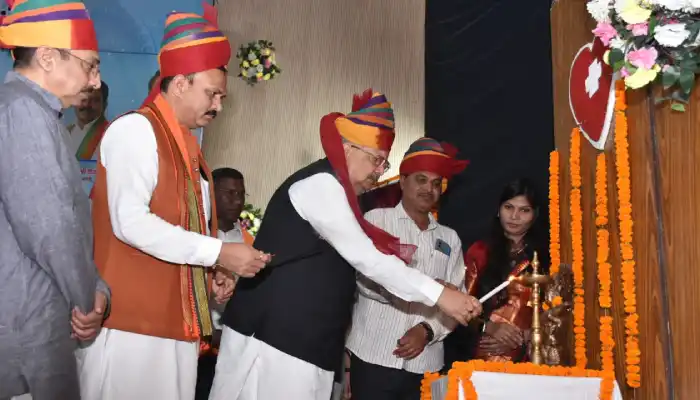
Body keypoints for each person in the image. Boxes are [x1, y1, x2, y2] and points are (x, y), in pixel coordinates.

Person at [210, 89, 482, 400]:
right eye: (376, 160)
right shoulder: (320, 185)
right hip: (273, 336)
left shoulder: (343, 195)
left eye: (384, 163)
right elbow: (369, 259)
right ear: (347, 148)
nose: (380, 171)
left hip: (307, 343)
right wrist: (440, 295)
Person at [76, 5, 270, 400]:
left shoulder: (189, 150)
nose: (218, 105)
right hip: (132, 329)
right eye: (212, 93)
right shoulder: (136, 130)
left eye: (222, 96)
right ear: (180, 84)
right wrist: (219, 252)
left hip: (175, 329)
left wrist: (212, 273)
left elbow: (182, 234)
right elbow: (131, 222)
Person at [0, 1, 111, 399]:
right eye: (90, 65)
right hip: (27, 325)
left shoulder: (34, 112)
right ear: (47, 57)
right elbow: (51, 229)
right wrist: (88, 300)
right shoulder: (23, 111)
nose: (96, 81)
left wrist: (96, 287)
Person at [345, 137, 468, 400]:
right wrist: (421, 289)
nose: (428, 189)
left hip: (426, 363)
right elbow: (363, 280)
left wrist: (427, 330)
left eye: (436, 183)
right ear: (402, 181)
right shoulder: (377, 221)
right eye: (421, 180)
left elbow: (457, 300)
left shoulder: (450, 238)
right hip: (374, 356)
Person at [467, 178, 549, 362]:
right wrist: (489, 327)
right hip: (484, 354)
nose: (514, 216)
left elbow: (559, 312)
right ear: (498, 210)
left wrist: (523, 337)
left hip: (532, 356)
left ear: (535, 214)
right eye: (509, 207)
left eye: (524, 210)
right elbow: (460, 308)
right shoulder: (479, 252)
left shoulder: (547, 256)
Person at [195, 167, 253, 400]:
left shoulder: (251, 243)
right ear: (210, 193)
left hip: (233, 347)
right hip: (196, 345)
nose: (237, 200)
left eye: (240, 194)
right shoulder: (197, 237)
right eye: (229, 193)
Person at [66, 81, 109, 160]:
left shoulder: (110, 135)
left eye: (94, 100)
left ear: (104, 105)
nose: (86, 105)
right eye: (82, 99)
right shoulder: (64, 133)